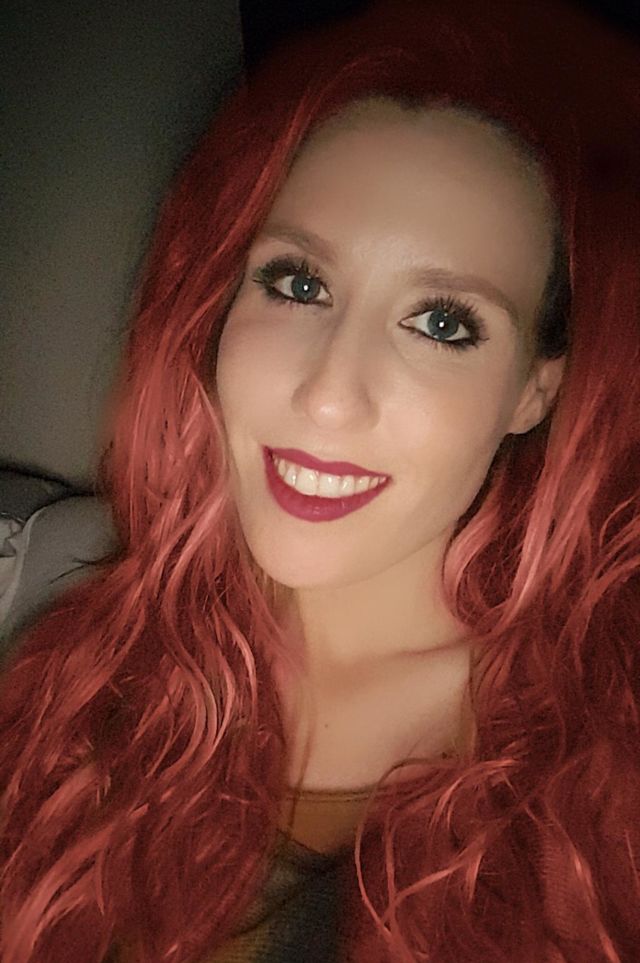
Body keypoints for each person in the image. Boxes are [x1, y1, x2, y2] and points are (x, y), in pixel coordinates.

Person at [1, 0, 639, 960]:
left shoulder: (596, 786)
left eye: (443, 323)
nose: (330, 396)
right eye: (299, 283)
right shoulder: (83, 637)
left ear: (534, 389)